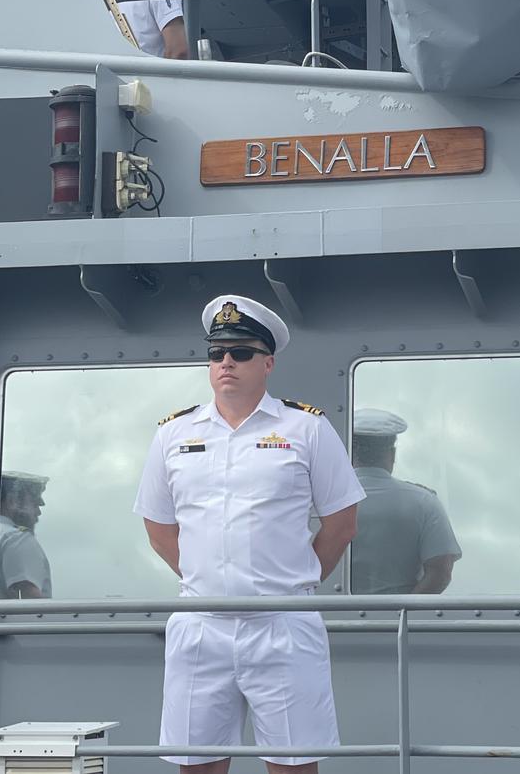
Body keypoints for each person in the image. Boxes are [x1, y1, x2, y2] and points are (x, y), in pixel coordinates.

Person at [134, 295, 366, 774]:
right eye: (216, 354)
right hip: (200, 625)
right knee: (196, 766)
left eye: (240, 353)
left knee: (293, 766)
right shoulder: (173, 435)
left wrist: (292, 582)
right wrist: (209, 578)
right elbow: (158, 526)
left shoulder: (307, 429)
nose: (226, 363)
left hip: (283, 625)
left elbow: (342, 523)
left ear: (268, 362)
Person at [351, 408, 462, 594]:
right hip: (398, 621)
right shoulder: (425, 502)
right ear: (392, 455)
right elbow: (441, 572)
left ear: (349, 451)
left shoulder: (318, 503)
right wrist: (402, 611)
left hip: (328, 619)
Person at [0, 470, 52, 599]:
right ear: (12, 501)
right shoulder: (16, 538)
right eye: (35, 504)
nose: (38, 512)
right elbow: (30, 598)